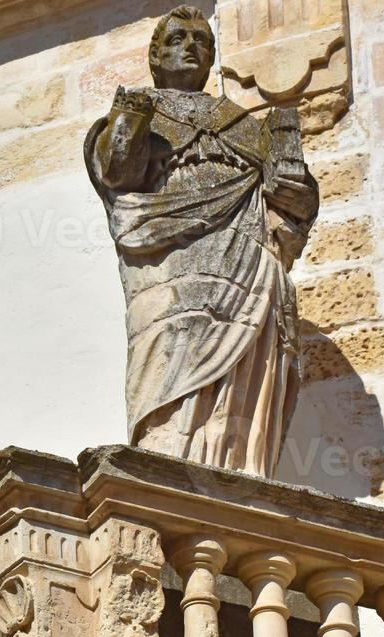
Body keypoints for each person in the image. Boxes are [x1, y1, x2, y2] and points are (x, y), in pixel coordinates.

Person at [86, 5, 320, 478]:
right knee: (166, 364)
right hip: (166, 271)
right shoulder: (137, 112)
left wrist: (294, 184)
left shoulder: (245, 127)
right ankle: (170, 470)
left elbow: (291, 209)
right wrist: (130, 120)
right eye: (177, 39)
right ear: (155, 55)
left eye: (202, 41)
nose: (190, 47)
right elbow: (117, 173)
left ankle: (238, 470)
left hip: (248, 270)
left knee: (244, 385)